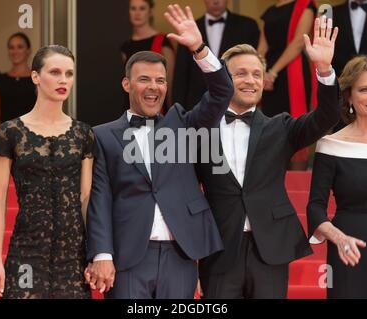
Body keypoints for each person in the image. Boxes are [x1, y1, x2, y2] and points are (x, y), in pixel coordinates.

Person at [85, 4, 233, 299]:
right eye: (144, 79)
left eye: (160, 80)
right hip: (128, 257)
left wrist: (200, 49)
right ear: (126, 84)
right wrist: (102, 253)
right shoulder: (103, 135)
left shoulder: (183, 123)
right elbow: (99, 197)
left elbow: (221, 94)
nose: (154, 87)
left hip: (181, 253)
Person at [196, 16, 341, 299]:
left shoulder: (281, 127)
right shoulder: (200, 128)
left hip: (270, 249)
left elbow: (327, 116)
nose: (250, 80)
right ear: (223, 79)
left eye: (256, 74)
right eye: (240, 74)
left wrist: (323, 69)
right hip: (219, 249)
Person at [0, 45, 95, 299]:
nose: (63, 80)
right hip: (26, 248)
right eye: (55, 72)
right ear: (35, 76)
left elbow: (86, 198)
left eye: (69, 74)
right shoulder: (10, 132)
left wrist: (94, 253)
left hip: (73, 255)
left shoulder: (83, 134)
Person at [307, 55, 367, 299]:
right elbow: (315, 208)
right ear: (349, 96)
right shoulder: (330, 145)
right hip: (347, 252)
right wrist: (338, 238)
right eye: (364, 90)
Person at [258, 0, 318, 170]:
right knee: (271, 132)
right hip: (269, 80)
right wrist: (260, 73)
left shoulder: (306, 5)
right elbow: (262, 49)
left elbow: (299, 42)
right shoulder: (270, 10)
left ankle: (297, 188)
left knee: (295, 132)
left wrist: (273, 72)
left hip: (292, 74)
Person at [173, 0, 259, 109]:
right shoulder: (189, 29)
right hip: (197, 105)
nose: (216, 1)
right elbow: (181, 74)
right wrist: (178, 112)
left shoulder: (248, 26)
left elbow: (256, 68)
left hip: (237, 104)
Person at [121, 0, 175, 108]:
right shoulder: (126, 46)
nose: (137, 13)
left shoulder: (162, 41)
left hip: (158, 108)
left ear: (150, 12)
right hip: (133, 108)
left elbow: (170, 83)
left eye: (142, 8)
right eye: (133, 9)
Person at [0, 32, 36, 132]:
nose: (15, 51)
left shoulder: (38, 80)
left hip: (33, 142)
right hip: (6, 142)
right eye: (11, 47)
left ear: (28, 50)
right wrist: (5, 141)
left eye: (20, 47)